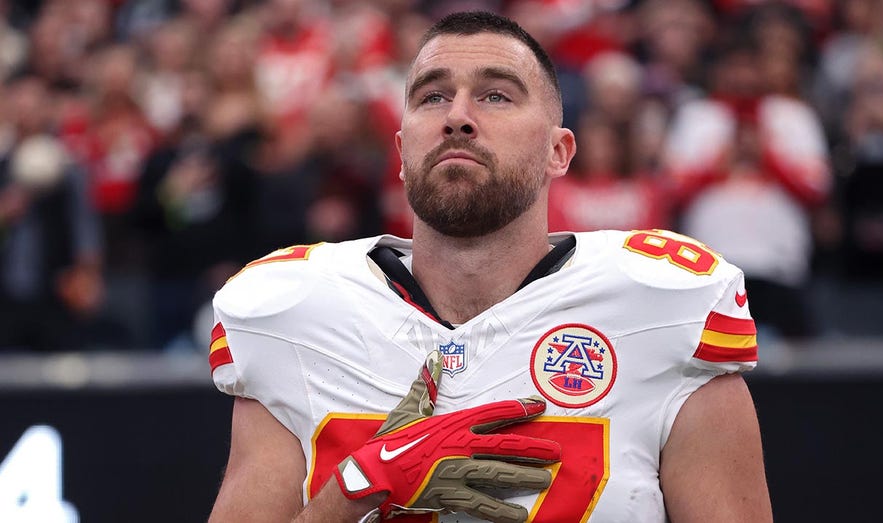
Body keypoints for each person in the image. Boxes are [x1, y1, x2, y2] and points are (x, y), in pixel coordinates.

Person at [208, 11, 771, 523]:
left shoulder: (663, 307)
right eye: (432, 97)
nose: (457, 117)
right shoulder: (297, 312)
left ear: (558, 152)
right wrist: (355, 489)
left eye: (496, 96)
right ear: (400, 153)